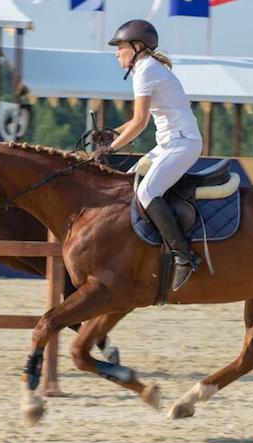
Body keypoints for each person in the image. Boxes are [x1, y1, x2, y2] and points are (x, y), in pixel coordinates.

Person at [97, 19, 203, 292]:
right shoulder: (144, 69)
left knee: (147, 192)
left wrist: (111, 148)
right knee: (128, 182)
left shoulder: (146, 71)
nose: (117, 53)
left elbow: (140, 123)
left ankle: (183, 256)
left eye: (120, 47)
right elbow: (135, 121)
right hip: (168, 144)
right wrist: (111, 134)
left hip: (182, 144)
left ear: (136, 47)